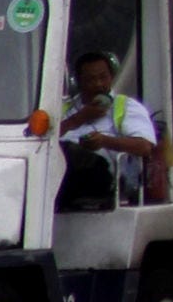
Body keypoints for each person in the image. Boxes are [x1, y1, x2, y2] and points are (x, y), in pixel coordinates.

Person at [60, 51, 160, 203]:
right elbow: (41, 139)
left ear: (111, 78)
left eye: (103, 77)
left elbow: (145, 146)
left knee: (76, 155)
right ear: (79, 82)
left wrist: (104, 141)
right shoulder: (64, 108)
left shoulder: (126, 106)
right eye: (91, 79)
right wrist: (79, 118)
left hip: (107, 177)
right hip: (61, 174)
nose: (99, 84)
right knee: (63, 151)